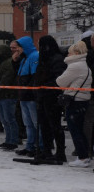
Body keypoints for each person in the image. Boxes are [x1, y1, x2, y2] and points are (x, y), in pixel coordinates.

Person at [30, 35, 66, 165]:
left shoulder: (57, 59)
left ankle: (60, 152)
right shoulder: (44, 58)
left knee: (54, 125)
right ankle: (46, 149)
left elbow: (58, 78)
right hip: (42, 96)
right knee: (44, 125)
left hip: (52, 97)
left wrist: (46, 87)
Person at [56, 41, 92, 167]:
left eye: (70, 52)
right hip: (83, 100)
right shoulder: (84, 65)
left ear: (76, 53)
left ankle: (83, 158)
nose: (68, 54)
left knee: (75, 130)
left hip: (75, 101)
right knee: (80, 130)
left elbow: (60, 81)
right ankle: (85, 156)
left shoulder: (75, 66)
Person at [14, 36, 41, 156]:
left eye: (18, 47)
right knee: (28, 124)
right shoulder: (24, 58)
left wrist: (28, 90)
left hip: (30, 96)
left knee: (35, 123)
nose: (16, 50)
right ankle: (30, 146)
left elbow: (35, 76)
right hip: (24, 95)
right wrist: (14, 61)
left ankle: (39, 146)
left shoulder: (34, 56)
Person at [0, 43, 21, 150]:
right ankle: (8, 139)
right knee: (5, 119)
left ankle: (12, 140)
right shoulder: (3, 63)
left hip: (7, 95)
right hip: (2, 95)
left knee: (9, 119)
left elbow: (6, 78)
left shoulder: (7, 64)